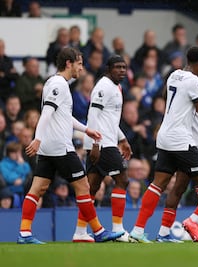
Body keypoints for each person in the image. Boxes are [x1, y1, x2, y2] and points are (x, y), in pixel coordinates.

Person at [128, 46, 198, 243]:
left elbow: (167, 97)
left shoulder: (174, 75)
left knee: (159, 184)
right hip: (181, 139)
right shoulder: (195, 83)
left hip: (164, 135)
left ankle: (140, 231)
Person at [17, 47, 124, 244]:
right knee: (83, 186)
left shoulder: (53, 82)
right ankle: (98, 231)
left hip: (48, 147)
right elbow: (47, 113)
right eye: (79, 64)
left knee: (37, 188)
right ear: (69, 63)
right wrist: (37, 137)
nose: (81, 69)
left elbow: (63, 116)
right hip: (60, 146)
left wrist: (86, 130)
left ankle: (24, 233)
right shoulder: (59, 85)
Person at [71, 55, 133, 243]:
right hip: (103, 144)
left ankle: (80, 232)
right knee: (122, 180)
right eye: (117, 67)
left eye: (124, 67)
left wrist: (123, 139)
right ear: (108, 69)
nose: (122, 70)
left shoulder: (116, 87)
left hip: (106, 141)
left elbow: (110, 119)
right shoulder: (103, 86)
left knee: (92, 188)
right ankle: (119, 230)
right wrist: (95, 144)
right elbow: (93, 114)